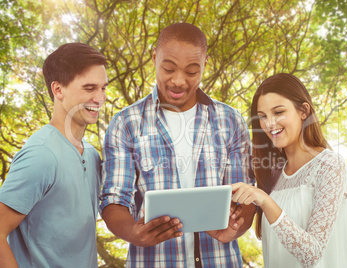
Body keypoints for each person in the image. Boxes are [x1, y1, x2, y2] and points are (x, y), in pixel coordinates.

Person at [100, 22, 256, 267]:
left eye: (192, 71)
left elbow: (246, 196)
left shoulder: (230, 121)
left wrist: (236, 227)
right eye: (168, 68)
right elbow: (113, 200)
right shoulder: (126, 123)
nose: (178, 81)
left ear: (205, 65)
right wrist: (133, 233)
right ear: (154, 58)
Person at [231, 73, 347, 267]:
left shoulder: (330, 165)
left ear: (303, 111)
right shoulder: (273, 174)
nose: (269, 124)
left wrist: (265, 201)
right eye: (262, 117)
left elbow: (312, 254)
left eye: (278, 112)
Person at [0, 43, 108, 268]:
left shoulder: (91, 154)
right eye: (89, 88)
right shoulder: (41, 155)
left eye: (103, 88)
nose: (99, 98)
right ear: (58, 90)